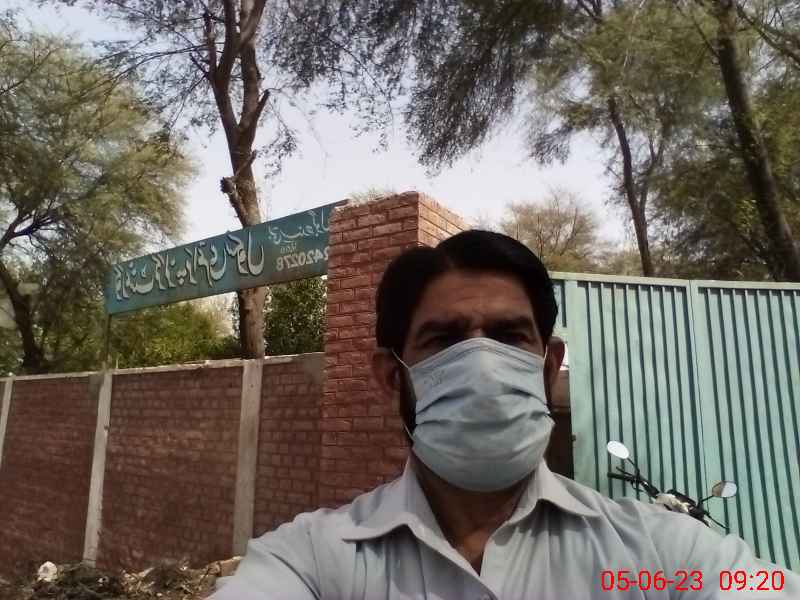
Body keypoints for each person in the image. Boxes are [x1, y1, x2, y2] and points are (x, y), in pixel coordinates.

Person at [210, 230, 798, 599]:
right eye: (444, 339)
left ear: (548, 364)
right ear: (392, 376)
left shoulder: (661, 555)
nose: (484, 365)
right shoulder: (314, 562)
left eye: (509, 335)